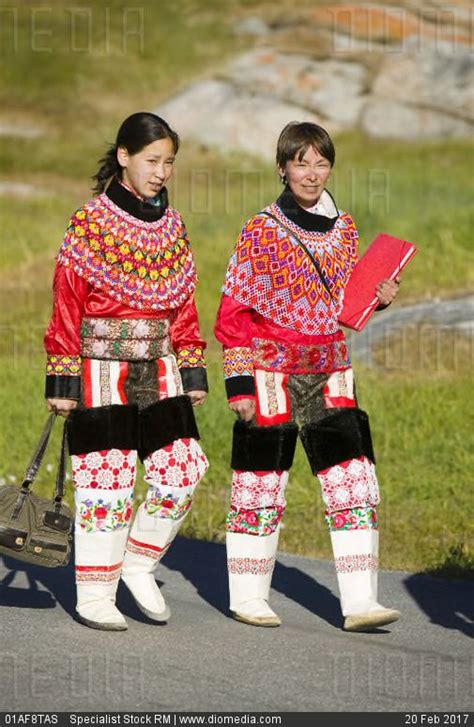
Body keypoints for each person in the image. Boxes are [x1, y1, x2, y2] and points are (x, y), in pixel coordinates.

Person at [214, 121, 401, 631]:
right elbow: (232, 315)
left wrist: (378, 301)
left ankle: (361, 602)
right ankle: (248, 596)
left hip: (331, 368)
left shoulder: (347, 229)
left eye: (321, 163)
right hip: (270, 370)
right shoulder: (261, 229)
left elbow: (345, 306)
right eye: (301, 162)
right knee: (260, 482)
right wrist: (239, 386)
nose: (312, 174)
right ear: (282, 168)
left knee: (353, 480)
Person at [44, 112, 209, 631]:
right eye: (152, 160)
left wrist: (193, 367)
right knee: (107, 482)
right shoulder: (89, 221)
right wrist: (63, 380)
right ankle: (95, 591)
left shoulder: (173, 224)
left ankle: (138, 564)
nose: (161, 172)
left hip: (160, 369)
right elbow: (67, 303)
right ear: (124, 156)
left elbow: (183, 303)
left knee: (185, 469)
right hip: (99, 367)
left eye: (169, 163)